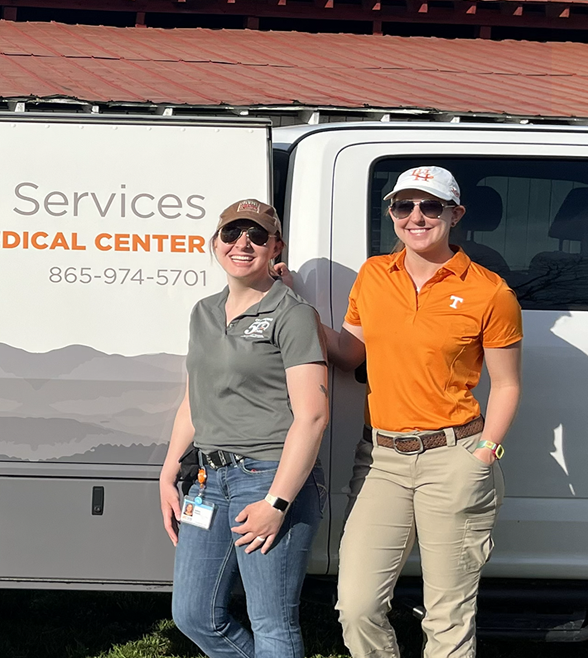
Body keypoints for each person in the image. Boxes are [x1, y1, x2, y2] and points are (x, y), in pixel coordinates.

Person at [324, 167, 522, 658]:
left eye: (431, 206)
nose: (416, 217)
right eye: (403, 206)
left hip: (454, 458)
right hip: (382, 460)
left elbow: (508, 384)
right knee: (357, 606)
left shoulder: (490, 291)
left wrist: (484, 454)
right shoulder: (374, 275)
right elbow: (350, 355)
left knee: (447, 616)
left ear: (455, 215)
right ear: (391, 214)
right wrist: (295, 311)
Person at [159, 199, 329, 658]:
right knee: (194, 615)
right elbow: (194, 399)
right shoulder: (204, 311)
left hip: (268, 477)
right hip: (206, 480)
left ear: (276, 247)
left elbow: (313, 416)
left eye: (257, 235)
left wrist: (277, 502)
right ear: (215, 243)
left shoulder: (292, 314)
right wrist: (168, 472)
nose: (243, 243)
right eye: (232, 233)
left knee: (272, 621)